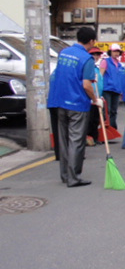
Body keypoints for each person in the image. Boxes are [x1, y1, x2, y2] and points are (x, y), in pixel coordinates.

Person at [48, 27, 101, 187]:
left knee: (63, 140)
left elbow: (57, 75)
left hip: (59, 101)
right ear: (92, 41)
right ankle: (74, 177)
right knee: (76, 141)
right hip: (77, 103)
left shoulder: (64, 53)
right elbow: (86, 85)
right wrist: (95, 99)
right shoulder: (87, 59)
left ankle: (65, 175)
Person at [99, 43, 123, 130]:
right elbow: (100, 75)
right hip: (107, 89)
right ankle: (104, 129)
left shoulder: (119, 65)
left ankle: (112, 129)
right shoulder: (105, 61)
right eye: (114, 51)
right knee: (106, 110)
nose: (116, 53)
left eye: (118, 51)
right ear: (110, 52)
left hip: (116, 90)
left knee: (114, 111)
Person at [86, 46, 104, 146]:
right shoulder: (88, 68)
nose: (96, 56)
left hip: (97, 97)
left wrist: (100, 96)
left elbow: (99, 83)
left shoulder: (96, 69)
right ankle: (89, 138)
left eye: (97, 54)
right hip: (90, 98)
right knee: (89, 120)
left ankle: (95, 138)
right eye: (93, 54)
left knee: (96, 120)